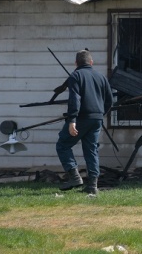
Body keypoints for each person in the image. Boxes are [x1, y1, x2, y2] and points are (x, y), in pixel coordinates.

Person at [57, 49, 113, 195]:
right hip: (97, 119)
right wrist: (101, 114)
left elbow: (74, 99)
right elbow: (110, 100)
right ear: (91, 62)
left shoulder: (75, 76)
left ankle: (74, 177)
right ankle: (92, 186)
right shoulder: (101, 77)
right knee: (91, 150)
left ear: (76, 63)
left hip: (82, 118)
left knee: (63, 144)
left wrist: (72, 120)